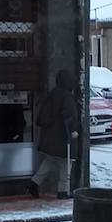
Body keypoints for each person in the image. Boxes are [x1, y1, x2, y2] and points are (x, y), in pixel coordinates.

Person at [28, 68, 78, 198]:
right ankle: (63, 191)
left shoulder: (52, 94)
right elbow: (69, 116)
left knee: (50, 160)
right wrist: (72, 131)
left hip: (49, 137)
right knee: (66, 163)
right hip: (62, 137)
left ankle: (34, 183)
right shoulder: (67, 96)